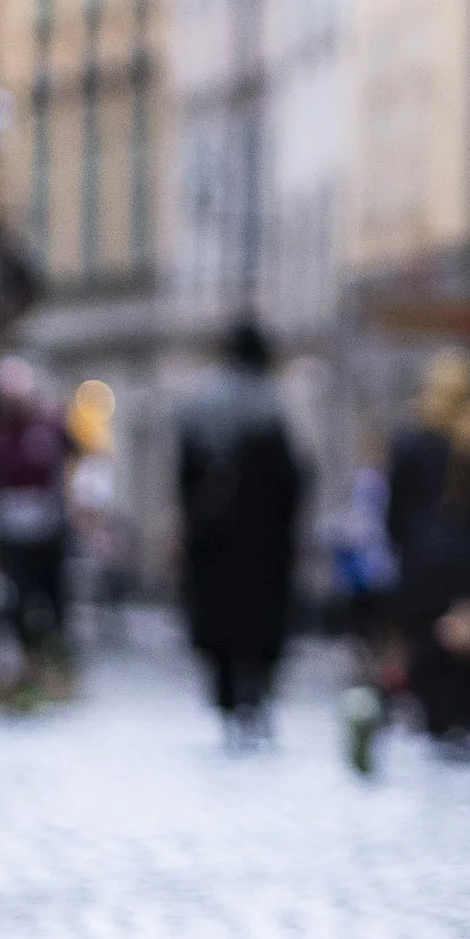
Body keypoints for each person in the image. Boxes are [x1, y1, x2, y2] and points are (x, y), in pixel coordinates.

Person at [175, 318, 308, 746]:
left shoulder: (199, 404)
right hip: (262, 546)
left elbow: (184, 479)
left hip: (212, 542)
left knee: (218, 626)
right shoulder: (271, 405)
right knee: (260, 627)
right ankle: (256, 699)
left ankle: (229, 701)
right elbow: (292, 480)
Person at [384, 352, 470, 749]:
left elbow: (396, 507)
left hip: (422, 563)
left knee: (428, 643)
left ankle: (438, 719)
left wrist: (403, 545)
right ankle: (463, 720)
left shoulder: (411, 440)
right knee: (467, 644)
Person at [0, 358, 77, 690]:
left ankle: (54, 661)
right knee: (16, 596)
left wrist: (73, 505)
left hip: (49, 523)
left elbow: (75, 459)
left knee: (54, 595)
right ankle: (27, 660)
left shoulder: (50, 426)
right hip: (11, 524)